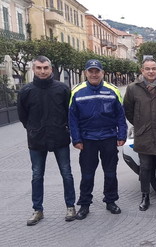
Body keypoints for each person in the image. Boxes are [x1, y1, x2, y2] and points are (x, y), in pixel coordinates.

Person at [17, 56, 76, 226]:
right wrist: (33, 129)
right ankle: (37, 210)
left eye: (45, 68)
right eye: (38, 68)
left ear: (51, 69)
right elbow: (23, 116)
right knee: (37, 175)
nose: (42, 71)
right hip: (36, 139)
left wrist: (65, 129)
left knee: (66, 173)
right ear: (33, 69)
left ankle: (70, 206)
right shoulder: (26, 91)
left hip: (59, 137)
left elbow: (69, 112)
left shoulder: (62, 89)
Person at [69, 59, 127, 220]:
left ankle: (111, 201)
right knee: (87, 174)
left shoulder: (113, 90)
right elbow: (72, 118)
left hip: (108, 137)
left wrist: (121, 134)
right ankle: (85, 204)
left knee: (110, 173)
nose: (94, 74)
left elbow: (120, 116)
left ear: (103, 73)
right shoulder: (77, 92)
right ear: (85, 73)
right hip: (87, 140)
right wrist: (76, 139)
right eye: (91, 71)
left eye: (97, 71)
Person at [123, 57, 156, 211]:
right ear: (142, 70)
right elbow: (128, 110)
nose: (151, 71)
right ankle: (145, 196)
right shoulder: (133, 88)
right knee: (145, 167)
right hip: (143, 135)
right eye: (148, 68)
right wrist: (140, 124)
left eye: (153, 68)